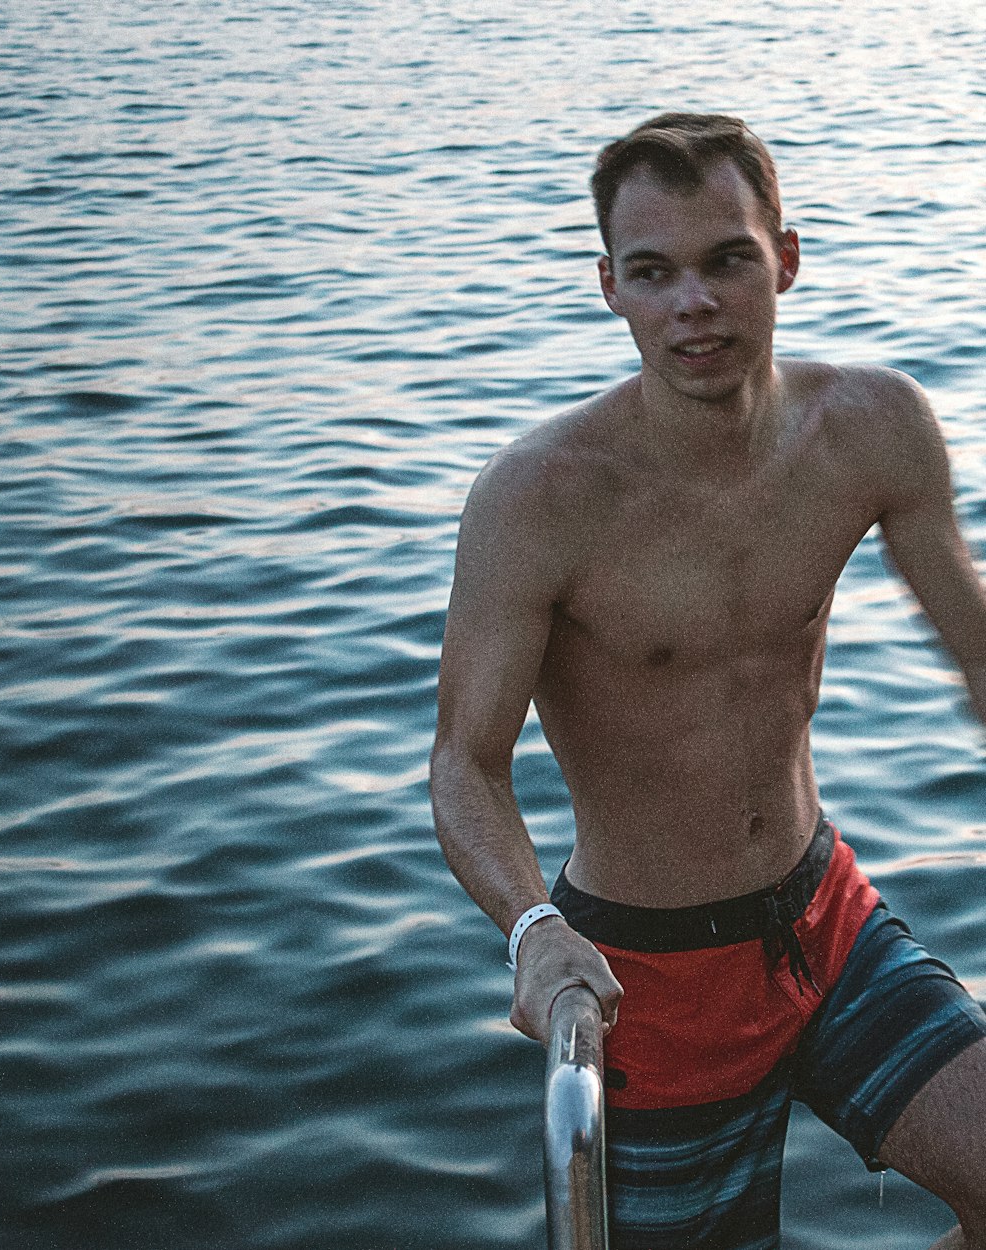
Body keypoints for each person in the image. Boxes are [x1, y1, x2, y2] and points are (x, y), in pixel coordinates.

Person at [429, 112, 986, 1249]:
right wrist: (533, 928)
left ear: (783, 256)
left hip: (826, 918)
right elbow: (464, 763)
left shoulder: (872, 427)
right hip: (648, 974)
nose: (695, 302)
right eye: (653, 272)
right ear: (610, 289)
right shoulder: (538, 499)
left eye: (727, 258)